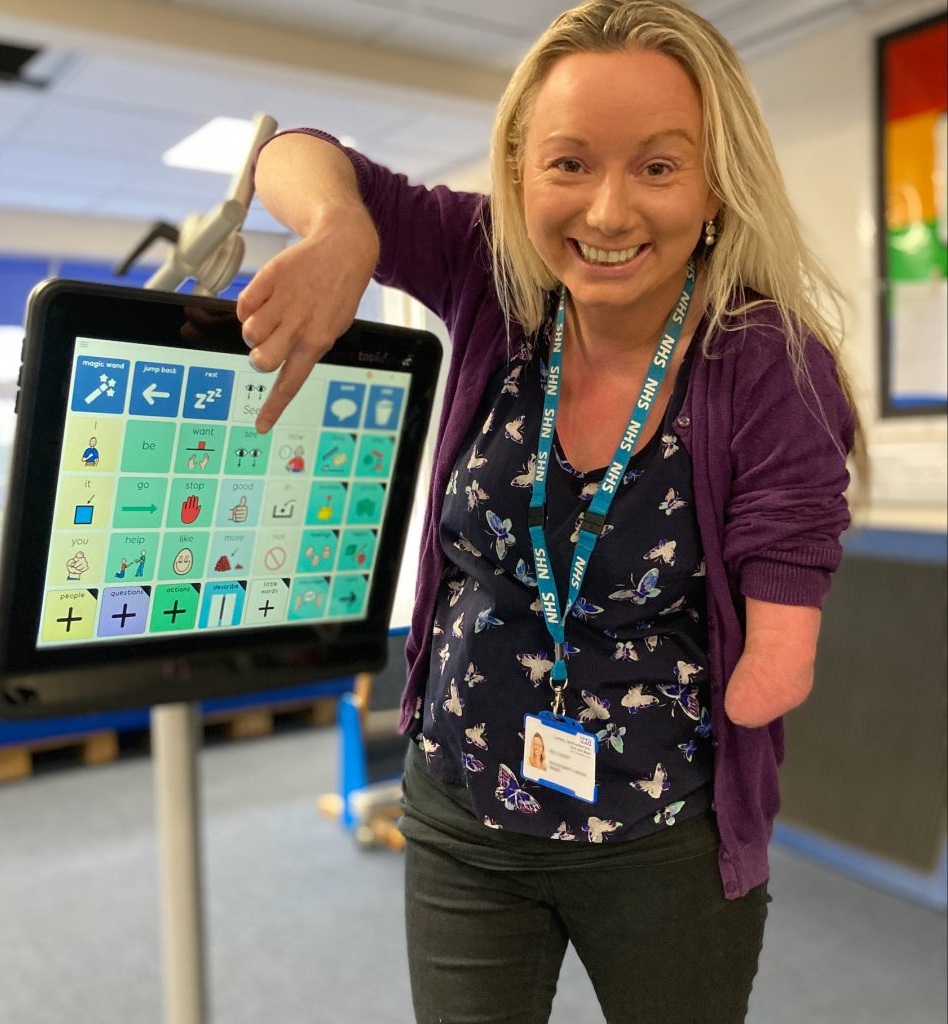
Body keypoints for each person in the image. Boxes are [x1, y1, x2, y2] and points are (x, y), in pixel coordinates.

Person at [236, 3, 860, 1021]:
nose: (607, 213)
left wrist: (773, 653)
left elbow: (787, 571)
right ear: (521, 170)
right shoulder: (494, 276)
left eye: (658, 167)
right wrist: (342, 225)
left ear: (715, 185)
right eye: (569, 164)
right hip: (458, 803)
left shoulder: (765, 360)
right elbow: (288, 152)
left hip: (662, 833)